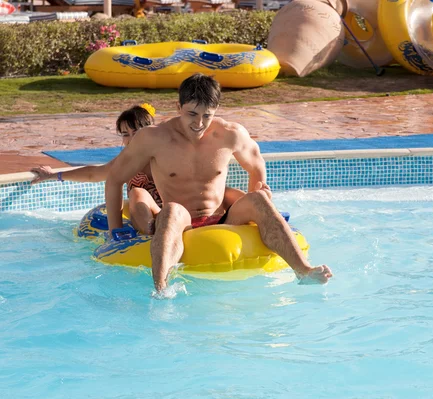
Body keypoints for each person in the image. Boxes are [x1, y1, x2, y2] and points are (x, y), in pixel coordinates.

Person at [105, 74, 332, 292]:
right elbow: (114, 178)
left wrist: (259, 187)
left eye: (207, 115)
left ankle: (304, 271)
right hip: (181, 220)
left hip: (223, 216)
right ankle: (162, 289)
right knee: (172, 210)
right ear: (178, 107)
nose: (199, 123)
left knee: (259, 199)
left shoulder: (229, 133)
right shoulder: (154, 138)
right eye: (192, 114)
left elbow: (256, 164)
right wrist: (115, 230)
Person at [31, 103, 245, 234]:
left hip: (188, 212)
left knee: (229, 192)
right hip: (158, 217)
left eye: (137, 132)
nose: (132, 138)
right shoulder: (127, 163)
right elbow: (94, 173)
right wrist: (54, 175)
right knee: (138, 193)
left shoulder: (164, 153)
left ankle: (250, 218)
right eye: (125, 134)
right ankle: (153, 233)